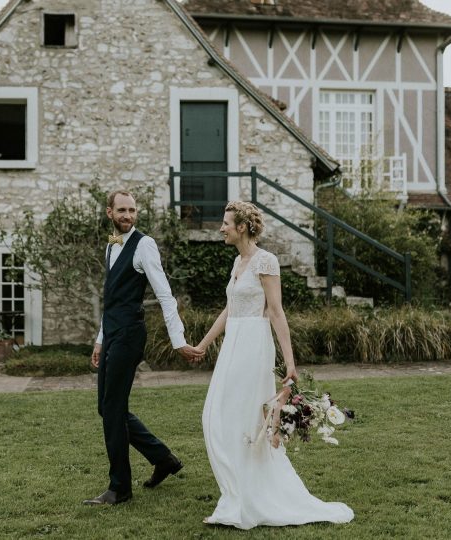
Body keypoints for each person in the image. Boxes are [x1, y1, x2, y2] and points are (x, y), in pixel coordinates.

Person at [192, 201, 354, 528]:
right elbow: (230, 309)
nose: (220, 228)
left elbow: (276, 312)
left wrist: (290, 363)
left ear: (242, 227)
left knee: (246, 420)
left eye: (226, 223)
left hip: (254, 345)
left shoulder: (266, 261)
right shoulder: (238, 262)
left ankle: (243, 500)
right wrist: (203, 345)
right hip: (233, 346)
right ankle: (237, 493)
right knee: (215, 417)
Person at [83, 190, 202, 506]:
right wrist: (100, 339)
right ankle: (163, 458)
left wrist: (178, 340)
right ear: (110, 212)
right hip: (113, 334)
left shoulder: (144, 245)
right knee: (107, 408)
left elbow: (165, 295)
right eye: (121, 210)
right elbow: (113, 302)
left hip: (130, 337)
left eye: (132, 210)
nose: (128, 215)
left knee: (112, 409)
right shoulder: (112, 245)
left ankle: (119, 487)